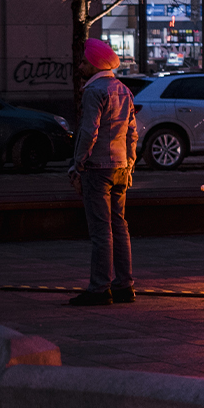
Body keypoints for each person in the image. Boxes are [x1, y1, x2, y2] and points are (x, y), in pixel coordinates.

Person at [67, 39, 138, 306]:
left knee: (100, 230)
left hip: (98, 168)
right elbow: (132, 132)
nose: (81, 65)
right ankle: (125, 285)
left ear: (95, 63)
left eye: (84, 61)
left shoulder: (94, 91)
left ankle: (99, 288)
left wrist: (78, 162)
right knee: (119, 226)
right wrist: (130, 164)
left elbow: (89, 132)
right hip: (120, 166)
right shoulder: (123, 90)